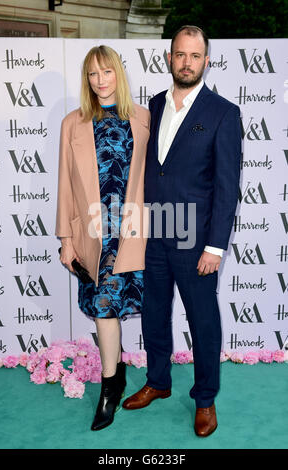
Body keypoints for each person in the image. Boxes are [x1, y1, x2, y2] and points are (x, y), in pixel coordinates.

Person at [122, 25, 241, 437]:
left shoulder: (223, 113)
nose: (186, 62)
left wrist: (215, 247)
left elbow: (228, 187)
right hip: (153, 235)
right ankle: (158, 381)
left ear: (206, 61)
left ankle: (205, 399)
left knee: (202, 320)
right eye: (179, 54)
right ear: (169, 58)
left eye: (194, 56)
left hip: (196, 242)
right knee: (153, 313)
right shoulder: (152, 106)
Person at [55, 45, 150, 431]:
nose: (100, 81)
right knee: (104, 308)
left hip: (136, 232)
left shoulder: (144, 118)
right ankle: (110, 387)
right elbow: (64, 184)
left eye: (106, 72)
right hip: (94, 234)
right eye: (93, 74)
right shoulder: (72, 123)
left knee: (137, 308)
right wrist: (66, 238)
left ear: (118, 75)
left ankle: (139, 376)